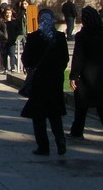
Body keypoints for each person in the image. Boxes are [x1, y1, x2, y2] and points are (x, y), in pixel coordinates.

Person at [20, 9, 69, 156]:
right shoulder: (59, 37)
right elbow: (65, 58)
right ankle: (60, 140)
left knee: (39, 115)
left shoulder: (34, 37)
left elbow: (26, 58)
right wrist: (58, 70)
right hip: (54, 79)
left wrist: (30, 67)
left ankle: (43, 146)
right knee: (55, 114)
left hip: (39, 80)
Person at [68, 6, 103, 142]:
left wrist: (73, 76)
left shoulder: (82, 35)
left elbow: (78, 57)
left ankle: (77, 131)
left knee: (81, 105)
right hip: (101, 71)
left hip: (85, 72)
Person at [0, 6, 22, 73]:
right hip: (4, 40)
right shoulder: (1, 20)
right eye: (7, 13)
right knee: (4, 54)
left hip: (12, 40)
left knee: (12, 53)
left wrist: (16, 35)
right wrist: (3, 35)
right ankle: (5, 68)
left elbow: (18, 29)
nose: (8, 14)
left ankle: (12, 67)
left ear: (11, 13)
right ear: (5, 13)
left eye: (9, 12)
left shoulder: (14, 20)